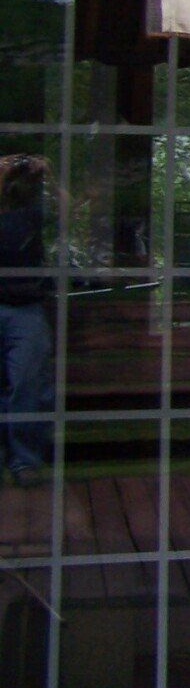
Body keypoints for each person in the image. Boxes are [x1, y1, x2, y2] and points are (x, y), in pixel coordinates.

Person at [0, 155, 53, 481]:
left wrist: (49, 172)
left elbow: (67, 210)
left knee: (27, 385)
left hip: (25, 309)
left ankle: (25, 460)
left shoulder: (31, 215)